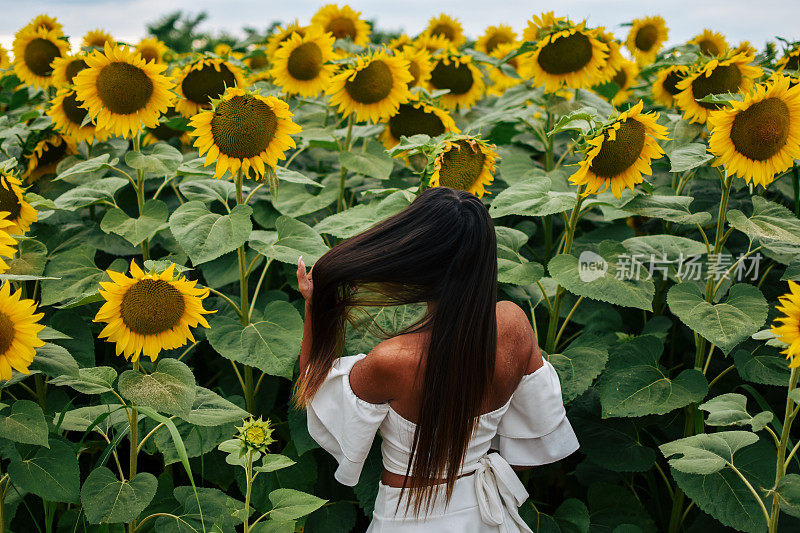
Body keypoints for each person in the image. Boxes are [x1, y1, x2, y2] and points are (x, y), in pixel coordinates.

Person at [295, 186, 579, 532]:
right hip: (487, 514)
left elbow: (315, 387)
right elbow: (536, 434)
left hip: (407, 520)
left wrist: (314, 304)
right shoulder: (514, 325)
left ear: (416, 262)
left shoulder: (394, 359)